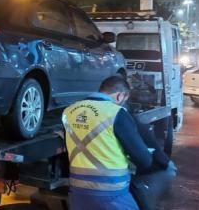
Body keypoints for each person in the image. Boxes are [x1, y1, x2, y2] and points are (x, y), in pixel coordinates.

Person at [61, 76, 175, 210]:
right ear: (121, 96)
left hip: (78, 193)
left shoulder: (69, 111)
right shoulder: (116, 113)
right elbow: (143, 159)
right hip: (112, 194)